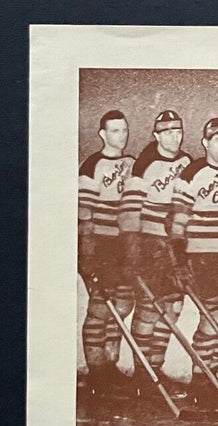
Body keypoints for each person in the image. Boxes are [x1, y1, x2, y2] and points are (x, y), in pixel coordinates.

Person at [169, 117, 218, 407]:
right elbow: (178, 221)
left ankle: (209, 374)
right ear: (205, 142)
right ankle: (201, 378)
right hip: (200, 254)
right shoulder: (192, 173)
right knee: (211, 316)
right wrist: (179, 259)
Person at [120, 110, 191, 396]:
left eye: (179, 132)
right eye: (168, 133)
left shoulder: (187, 161)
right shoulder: (143, 165)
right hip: (150, 244)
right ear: (156, 135)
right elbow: (129, 212)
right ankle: (142, 374)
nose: (175, 137)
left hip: (174, 245)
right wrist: (133, 252)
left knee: (173, 307)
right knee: (149, 308)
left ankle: (155, 368)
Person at [78, 110, 135, 395]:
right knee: (101, 308)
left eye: (124, 130)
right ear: (103, 134)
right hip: (99, 244)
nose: (121, 136)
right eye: (115, 131)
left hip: (123, 245)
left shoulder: (131, 163)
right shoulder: (92, 165)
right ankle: (97, 371)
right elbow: (84, 213)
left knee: (122, 305)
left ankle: (111, 365)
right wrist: (88, 255)